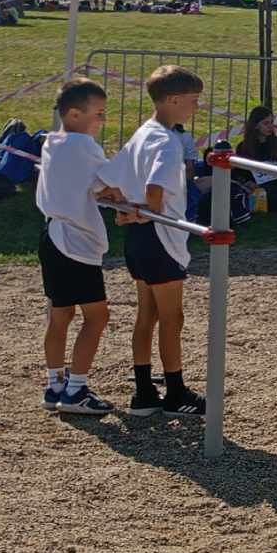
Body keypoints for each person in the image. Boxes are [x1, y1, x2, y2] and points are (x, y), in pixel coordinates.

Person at [97, 64, 207, 417]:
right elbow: (155, 191)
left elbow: (106, 181)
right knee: (172, 317)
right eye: (193, 100)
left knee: (147, 313)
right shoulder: (168, 142)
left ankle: (144, 391)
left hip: (139, 236)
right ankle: (175, 391)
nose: (196, 107)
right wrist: (146, 209)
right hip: (161, 236)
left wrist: (127, 208)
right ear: (173, 100)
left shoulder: (142, 133)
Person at [36, 78, 120, 416]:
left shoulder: (52, 142)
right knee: (97, 317)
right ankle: (76, 389)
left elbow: (89, 182)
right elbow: (109, 181)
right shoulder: (83, 145)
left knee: (60, 315)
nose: (102, 120)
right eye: (98, 114)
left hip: (52, 237)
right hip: (75, 243)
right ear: (74, 114)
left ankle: (55, 384)